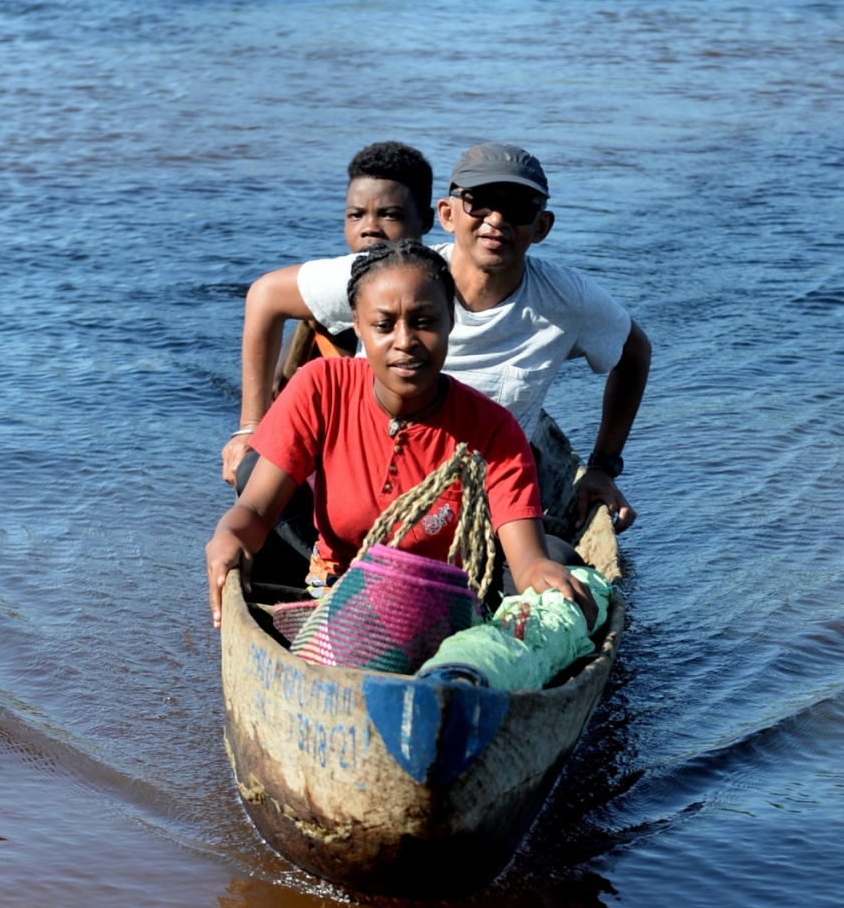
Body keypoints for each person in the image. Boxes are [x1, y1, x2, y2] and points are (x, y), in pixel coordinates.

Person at [221, 142, 651, 532]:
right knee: (254, 471)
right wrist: (250, 427)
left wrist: (603, 467)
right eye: (479, 203)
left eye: (519, 207)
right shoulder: (397, 279)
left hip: (477, 496)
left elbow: (634, 354)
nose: (496, 220)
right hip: (365, 477)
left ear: (541, 226)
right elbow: (265, 296)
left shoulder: (567, 300)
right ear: (447, 215)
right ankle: (317, 566)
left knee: (553, 558)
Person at [206, 242, 598, 631]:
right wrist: (228, 536)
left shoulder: (492, 428)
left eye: (425, 321)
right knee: (252, 480)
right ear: (358, 325)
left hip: (441, 600)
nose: (405, 340)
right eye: (383, 324)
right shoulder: (321, 386)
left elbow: (528, 559)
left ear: (450, 320)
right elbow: (255, 513)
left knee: (561, 560)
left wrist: (544, 575)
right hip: (335, 585)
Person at [221, 140, 434, 482]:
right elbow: (265, 296)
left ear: (426, 220)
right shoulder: (341, 281)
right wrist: (250, 426)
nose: (369, 228)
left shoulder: (439, 276)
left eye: (390, 215)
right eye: (355, 215)